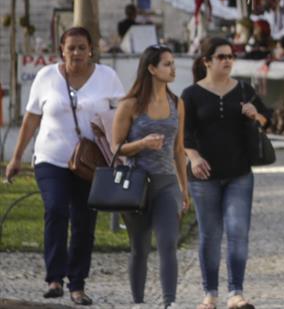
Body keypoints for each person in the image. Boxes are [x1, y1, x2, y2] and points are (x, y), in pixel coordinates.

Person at [5, 27, 125, 306]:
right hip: (52, 158)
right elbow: (32, 118)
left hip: (90, 162)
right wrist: (16, 157)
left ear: (91, 50)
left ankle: (78, 284)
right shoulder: (46, 77)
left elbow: (121, 113)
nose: (76, 53)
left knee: (84, 223)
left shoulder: (107, 77)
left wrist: (123, 146)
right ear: (61, 49)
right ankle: (54, 278)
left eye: (82, 47)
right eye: (71, 47)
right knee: (56, 208)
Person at [182, 37, 270, 309]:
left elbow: (269, 120)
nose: (228, 61)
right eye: (221, 57)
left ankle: (236, 293)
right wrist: (194, 158)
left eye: (230, 56)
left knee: (237, 232)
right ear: (206, 61)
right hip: (204, 176)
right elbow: (183, 134)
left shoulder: (244, 89)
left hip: (239, 173)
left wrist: (255, 115)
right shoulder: (191, 94)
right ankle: (210, 293)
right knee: (210, 234)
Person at [111, 45, 190, 308]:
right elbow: (116, 148)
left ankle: (170, 302)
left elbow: (179, 150)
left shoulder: (177, 103)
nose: (173, 68)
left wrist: (184, 188)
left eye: (173, 63)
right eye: (167, 64)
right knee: (140, 248)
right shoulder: (130, 105)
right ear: (152, 68)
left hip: (167, 184)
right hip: (136, 185)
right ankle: (139, 302)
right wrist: (142, 143)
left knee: (168, 243)